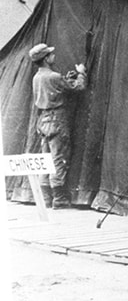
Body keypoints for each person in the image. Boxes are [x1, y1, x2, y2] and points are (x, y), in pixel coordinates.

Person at [29, 43, 88, 209]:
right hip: (57, 120)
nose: (53, 56)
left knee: (46, 160)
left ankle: (46, 199)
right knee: (58, 160)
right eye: (50, 54)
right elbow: (79, 87)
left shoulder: (37, 77)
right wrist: (81, 73)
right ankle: (59, 200)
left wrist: (66, 78)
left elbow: (56, 86)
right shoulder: (53, 76)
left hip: (43, 121)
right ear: (46, 59)